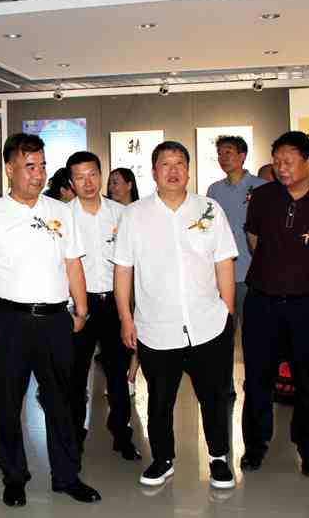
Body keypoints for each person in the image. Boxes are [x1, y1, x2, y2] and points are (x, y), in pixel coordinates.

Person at [0, 133, 101, 508]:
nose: (38, 174)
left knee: (62, 401)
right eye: (29, 166)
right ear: (10, 169)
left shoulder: (60, 211)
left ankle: (67, 476)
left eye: (42, 166)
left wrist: (81, 308)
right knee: (7, 403)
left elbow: (73, 262)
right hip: (7, 321)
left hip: (55, 320)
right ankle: (14, 476)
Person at [114, 141, 238, 489]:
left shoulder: (209, 209)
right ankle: (162, 459)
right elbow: (123, 270)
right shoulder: (134, 215)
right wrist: (126, 318)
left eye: (179, 163)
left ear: (188, 169)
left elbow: (224, 262)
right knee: (159, 400)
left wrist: (227, 311)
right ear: (154, 172)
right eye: (165, 164)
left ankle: (218, 457)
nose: (173, 170)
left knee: (214, 398)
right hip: (156, 327)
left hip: (208, 324)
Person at [241, 131, 309, 477]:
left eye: (288, 161)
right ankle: (255, 446)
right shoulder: (262, 198)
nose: (281, 168)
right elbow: (253, 239)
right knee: (256, 379)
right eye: (276, 161)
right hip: (263, 303)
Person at [65, 151, 140, 461]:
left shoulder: (121, 214)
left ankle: (122, 433)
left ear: (101, 174)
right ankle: (74, 434)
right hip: (77, 306)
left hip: (113, 303)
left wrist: (129, 312)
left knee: (118, 373)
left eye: (93, 174)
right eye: (80, 177)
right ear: (71, 183)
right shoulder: (63, 216)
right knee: (75, 374)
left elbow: (132, 264)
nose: (88, 182)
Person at [206, 136, 267, 397]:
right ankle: (225, 384)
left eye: (229, 152)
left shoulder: (261, 187)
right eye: (220, 153)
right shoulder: (214, 190)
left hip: (253, 273)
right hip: (222, 275)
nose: (223, 157)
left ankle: (255, 383)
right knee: (223, 335)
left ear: (242, 156)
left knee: (254, 336)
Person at [106, 167, 141, 394]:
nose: (112, 187)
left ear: (129, 185)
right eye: (110, 182)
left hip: (138, 276)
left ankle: (131, 375)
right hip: (116, 277)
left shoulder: (139, 212)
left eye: (116, 182)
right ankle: (120, 376)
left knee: (139, 322)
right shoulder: (108, 212)